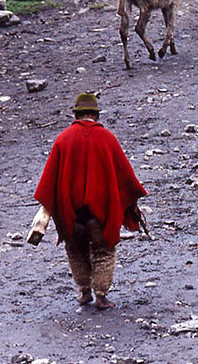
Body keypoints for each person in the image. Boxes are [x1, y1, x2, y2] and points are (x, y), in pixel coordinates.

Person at [33, 92, 147, 310]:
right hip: (100, 215)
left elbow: (49, 180)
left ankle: (85, 292)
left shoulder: (63, 139)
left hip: (72, 215)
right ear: (95, 115)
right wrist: (131, 203)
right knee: (103, 251)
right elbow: (125, 175)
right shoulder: (108, 139)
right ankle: (101, 296)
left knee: (76, 250)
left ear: (76, 115)